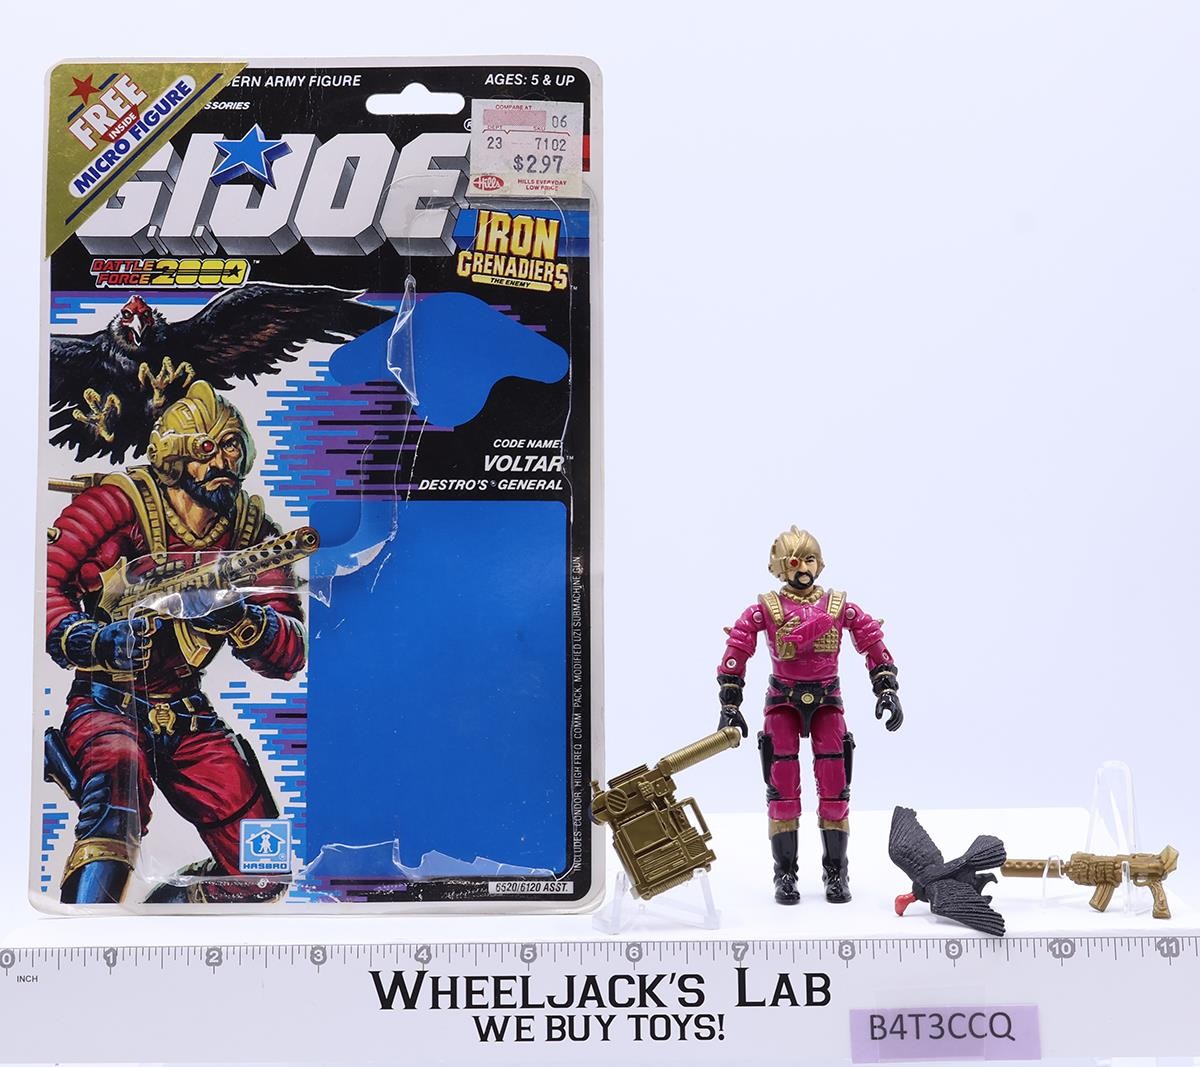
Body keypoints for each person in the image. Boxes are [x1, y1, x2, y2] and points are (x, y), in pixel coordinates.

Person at [44, 381, 307, 904]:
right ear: (176, 455)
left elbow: (291, 652)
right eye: (207, 450)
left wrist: (244, 618)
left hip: (188, 715)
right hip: (108, 703)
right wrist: (96, 641)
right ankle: (81, 933)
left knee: (264, 870)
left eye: (232, 447)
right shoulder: (118, 504)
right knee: (115, 803)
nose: (222, 462)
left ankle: (155, 925)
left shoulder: (254, 534)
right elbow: (41, 585)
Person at [716, 527, 903, 905]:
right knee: (782, 789)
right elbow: (738, 650)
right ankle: (785, 874)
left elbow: (871, 642)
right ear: (780, 568)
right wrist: (730, 704)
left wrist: (886, 688)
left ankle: (836, 871)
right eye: (794, 562)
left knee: (835, 787)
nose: (803, 568)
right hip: (782, 702)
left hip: (827, 701)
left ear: (820, 563)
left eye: (810, 560)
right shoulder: (765, 609)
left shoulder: (840, 606)